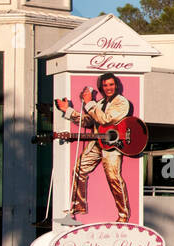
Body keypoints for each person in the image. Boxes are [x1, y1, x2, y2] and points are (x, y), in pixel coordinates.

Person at [56, 73, 131, 222]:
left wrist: (90, 102)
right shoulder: (101, 102)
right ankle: (78, 206)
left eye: (111, 84)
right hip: (98, 142)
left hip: (113, 145)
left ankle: (123, 215)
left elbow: (106, 120)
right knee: (79, 168)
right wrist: (68, 111)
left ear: (116, 85)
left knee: (113, 178)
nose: (108, 88)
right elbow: (88, 121)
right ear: (101, 87)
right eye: (105, 85)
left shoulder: (121, 102)